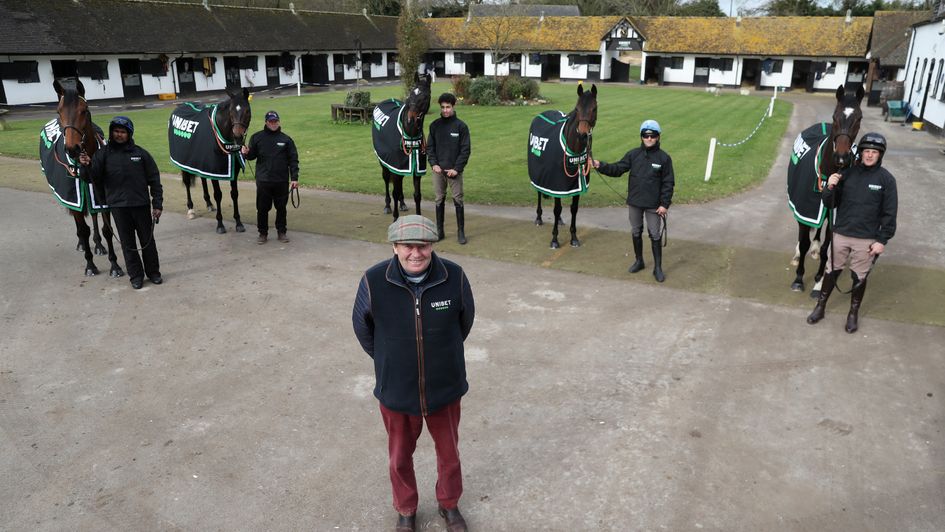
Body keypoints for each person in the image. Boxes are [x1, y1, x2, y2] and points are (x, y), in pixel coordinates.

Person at [352, 215, 475, 532]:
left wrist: (440, 354)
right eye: (408, 246)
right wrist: (389, 359)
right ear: (395, 247)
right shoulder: (373, 280)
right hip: (397, 390)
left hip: (445, 387)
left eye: (423, 246)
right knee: (399, 457)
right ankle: (406, 509)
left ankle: (449, 504)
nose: (416, 253)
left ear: (432, 246)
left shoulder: (454, 276)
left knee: (449, 455)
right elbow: (363, 328)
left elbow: (464, 322)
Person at [807, 132, 897, 333]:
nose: (870, 155)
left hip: (866, 239)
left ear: (880, 155)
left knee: (859, 277)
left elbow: (890, 213)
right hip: (841, 234)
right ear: (861, 153)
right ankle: (820, 306)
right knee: (831, 271)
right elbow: (830, 203)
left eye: (874, 152)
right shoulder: (847, 174)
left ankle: (853, 313)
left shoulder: (887, 180)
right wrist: (830, 186)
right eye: (867, 151)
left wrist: (882, 240)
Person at [82, 116, 163, 290]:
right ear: (111, 133)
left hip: (141, 205)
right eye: (116, 131)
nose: (119, 135)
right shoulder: (102, 155)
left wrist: (157, 204)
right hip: (118, 207)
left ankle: (154, 273)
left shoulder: (141, 154)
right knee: (128, 244)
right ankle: (136, 276)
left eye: (123, 132)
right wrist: (86, 165)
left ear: (129, 134)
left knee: (148, 241)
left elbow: (154, 180)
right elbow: (91, 178)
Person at [593, 119, 675, 282]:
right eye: (646, 135)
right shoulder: (633, 154)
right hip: (635, 202)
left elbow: (668, 183)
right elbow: (618, 169)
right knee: (636, 231)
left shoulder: (664, 158)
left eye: (653, 136)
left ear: (658, 137)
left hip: (654, 205)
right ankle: (639, 261)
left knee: (655, 234)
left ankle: (658, 268)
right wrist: (599, 165)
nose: (649, 138)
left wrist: (664, 204)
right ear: (641, 136)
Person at [241, 110, 299, 244]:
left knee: (281, 208)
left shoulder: (286, 140)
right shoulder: (257, 138)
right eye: (271, 121)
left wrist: (294, 178)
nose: (273, 123)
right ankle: (262, 233)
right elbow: (251, 156)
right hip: (263, 180)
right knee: (262, 208)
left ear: (279, 122)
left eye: (275, 121)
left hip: (281, 180)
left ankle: (281, 232)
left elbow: (293, 160)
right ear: (266, 122)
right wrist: (246, 153)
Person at [427, 93, 471, 245]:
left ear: (453, 106)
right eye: (443, 107)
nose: (445, 110)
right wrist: (434, 164)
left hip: (454, 172)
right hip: (438, 171)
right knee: (439, 199)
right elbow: (430, 148)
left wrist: (457, 169)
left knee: (458, 199)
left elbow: (465, 150)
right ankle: (440, 231)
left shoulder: (461, 127)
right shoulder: (434, 126)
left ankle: (461, 232)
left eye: (448, 107)